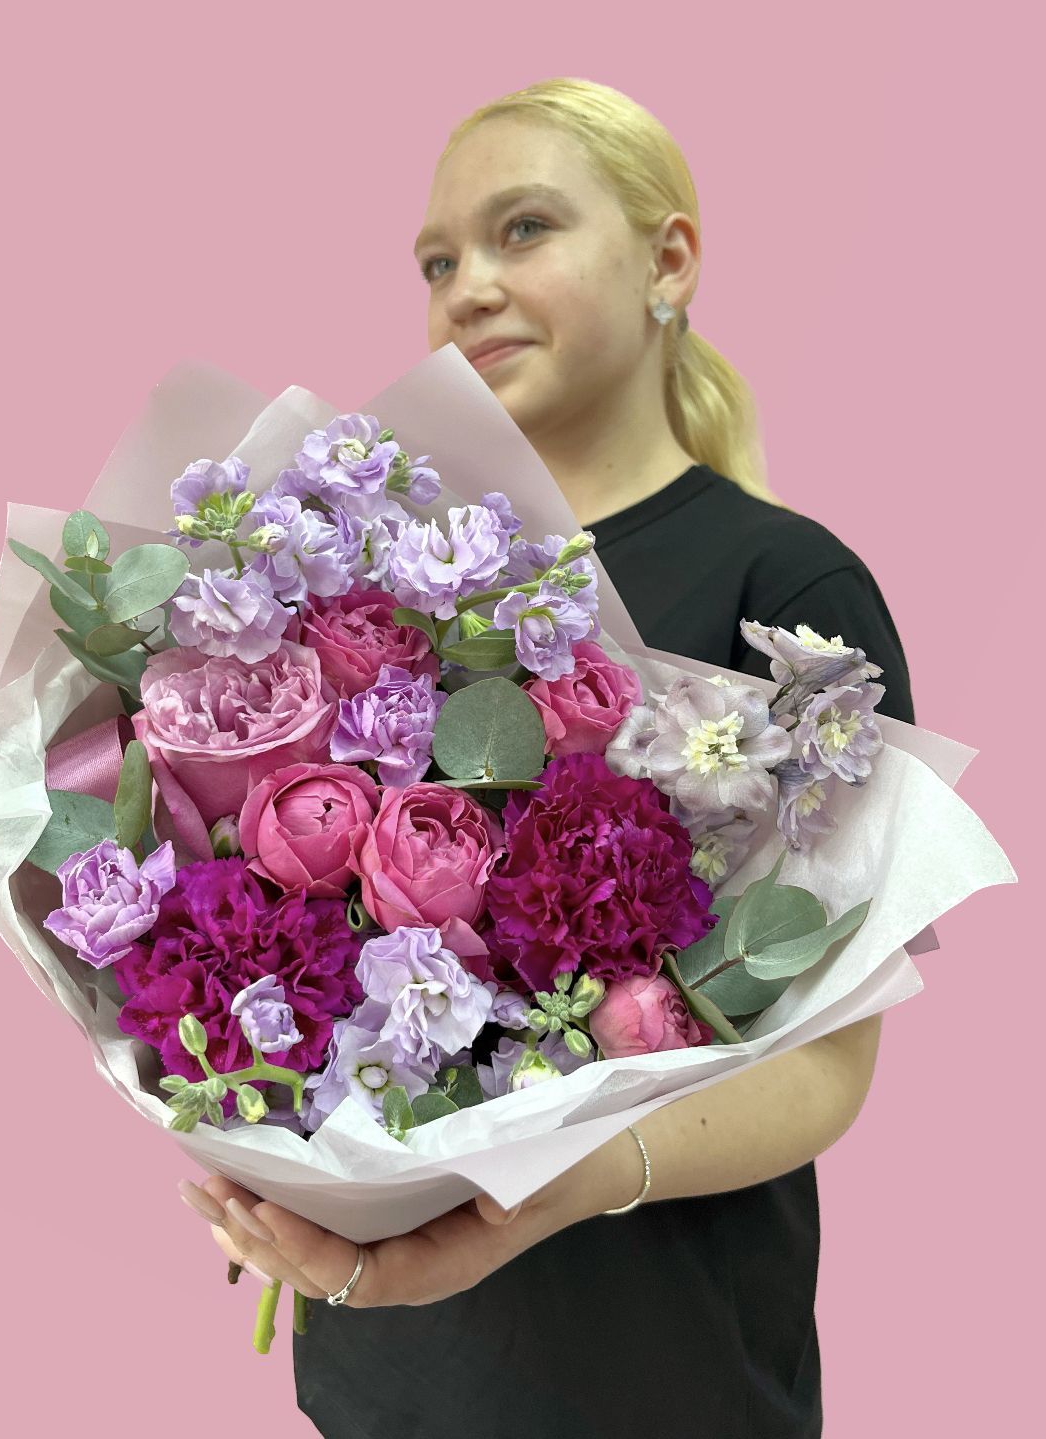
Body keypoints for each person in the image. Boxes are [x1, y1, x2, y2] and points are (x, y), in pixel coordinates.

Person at [179, 77, 916, 1437]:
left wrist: (555, 1179)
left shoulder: (786, 590)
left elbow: (824, 1068)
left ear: (667, 261)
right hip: (387, 1379)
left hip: (662, 1380)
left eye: (523, 230)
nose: (467, 288)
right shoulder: (391, 591)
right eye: (437, 261)